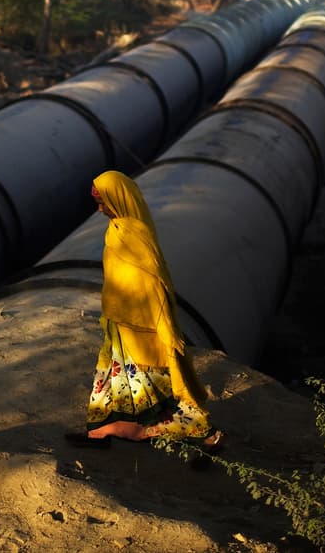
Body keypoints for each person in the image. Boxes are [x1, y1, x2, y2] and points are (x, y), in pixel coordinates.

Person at [68, 170, 221, 451]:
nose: (99, 209)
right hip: (119, 319)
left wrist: (165, 326)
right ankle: (99, 432)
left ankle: (204, 435)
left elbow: (153, 283)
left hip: (141, 326)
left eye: (103, 202)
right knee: (115, 382)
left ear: (118, 200)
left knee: (154, 390)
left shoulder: (133, 235)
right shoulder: (117, 229)